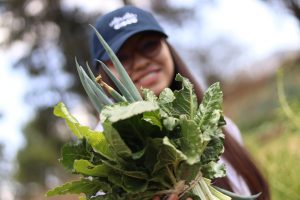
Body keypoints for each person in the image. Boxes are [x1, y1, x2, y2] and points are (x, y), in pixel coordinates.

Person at [90, 5, 270, 200]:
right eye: (120, 57)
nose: (141, 62)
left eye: (149, 45)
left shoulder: (223, 128)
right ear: (102, 74)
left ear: (168, 47)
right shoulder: (106, 159)